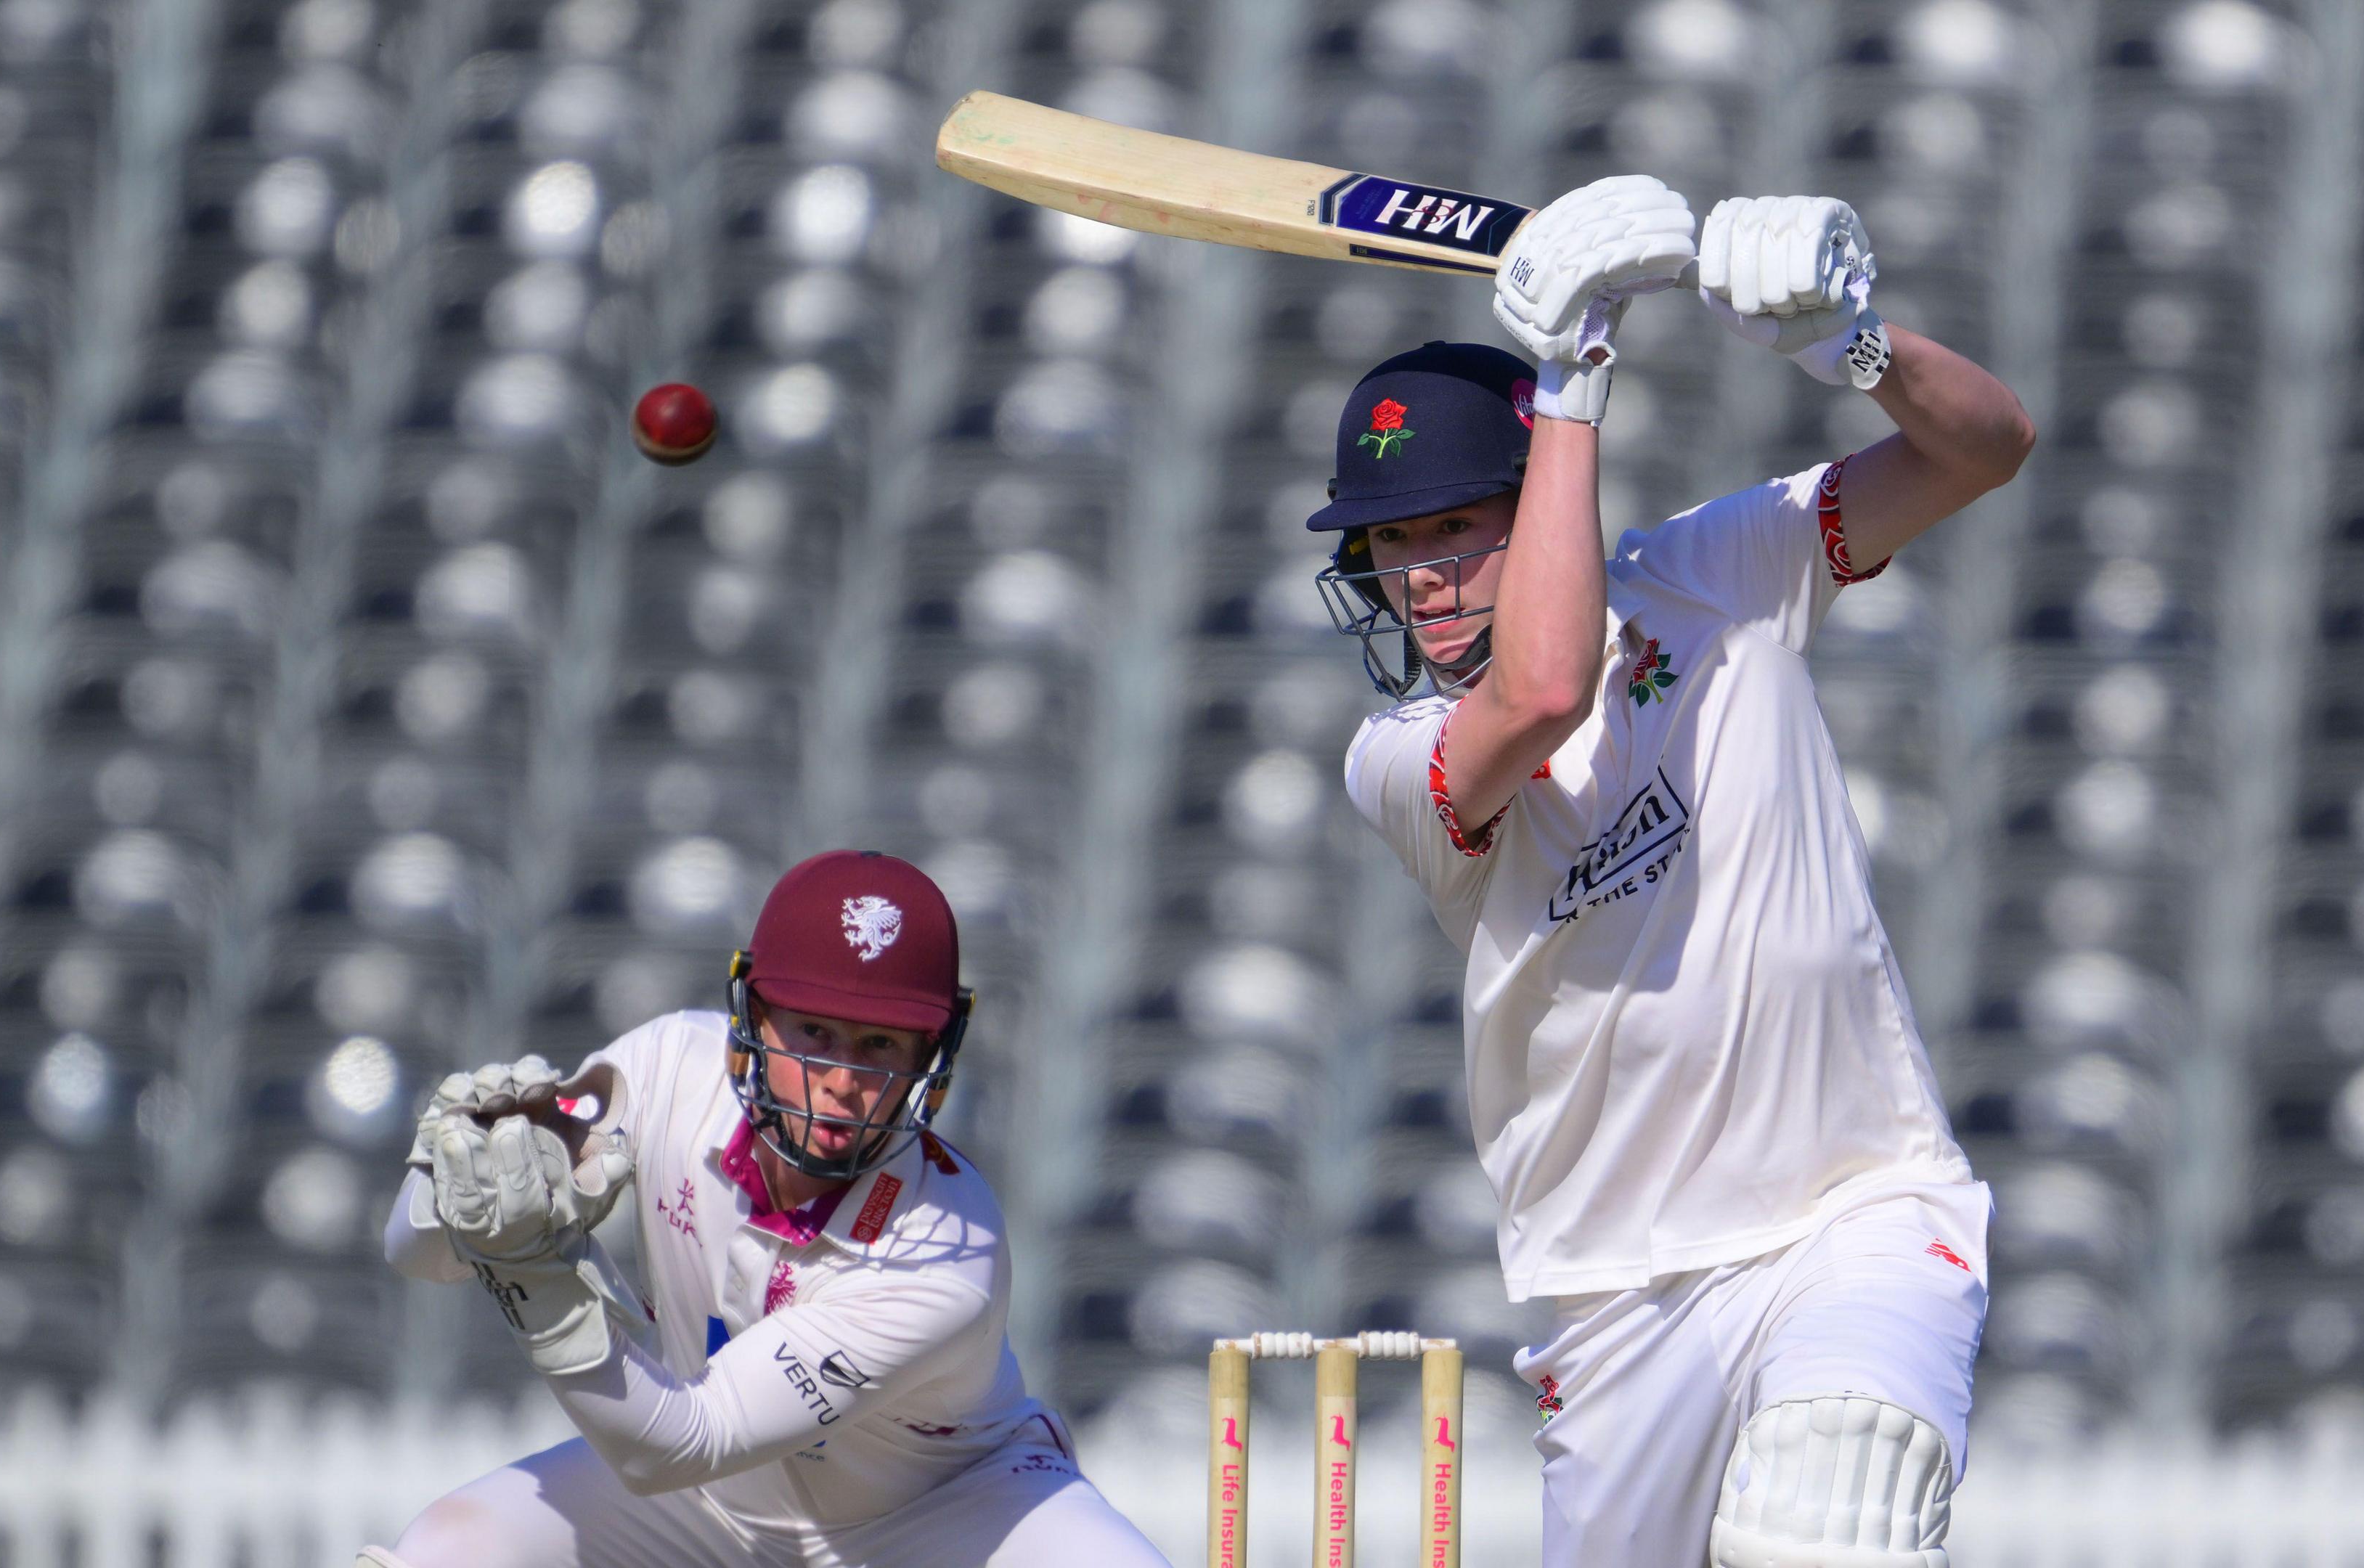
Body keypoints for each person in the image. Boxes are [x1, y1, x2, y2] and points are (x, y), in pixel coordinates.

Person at [1316, 181, 2034, 1568]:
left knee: (1835, 1522)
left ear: (1542, 503)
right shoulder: (1398, 756)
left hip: (1856, 1212)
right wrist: (1574, 372)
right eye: (1394, 545)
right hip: (1616, 1286)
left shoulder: (1714, 571)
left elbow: (1986, 451)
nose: (1424, 577)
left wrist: (1857, 347)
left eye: (1458, 523)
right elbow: (1538, 692)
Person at [359, 849, 1167, 1568]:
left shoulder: (949, 1249)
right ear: (750, 1024)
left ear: (933, 1059)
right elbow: (416, 1258)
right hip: (709, 1507)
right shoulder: (672, 1065)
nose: (844, 1081)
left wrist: (535, 1276)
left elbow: (673, 1445)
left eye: (881, 1045)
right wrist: (451, 1186)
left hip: (949, 1515)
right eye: (814, 1031)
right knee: (448, 1547)